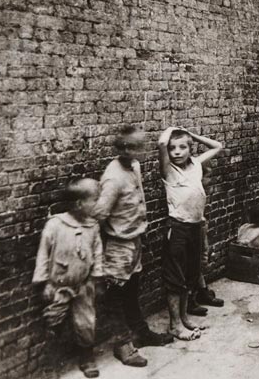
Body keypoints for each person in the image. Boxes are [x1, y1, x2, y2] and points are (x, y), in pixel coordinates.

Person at [94, 125, 172, 368]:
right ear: (121, 148)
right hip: (118, 245)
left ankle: (140, 331)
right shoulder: (113, 178)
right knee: (116, 295)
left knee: (132, 289)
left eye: (138, 145)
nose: (134, 150)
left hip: (134, 241)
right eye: (129, 146)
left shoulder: (135, 166)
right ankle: (122, 344)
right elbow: (99, 214)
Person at [33, 179, 104, 378]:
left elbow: (97, 252)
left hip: (83, 284)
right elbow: (43, 254)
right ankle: (50, 363)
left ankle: (87, 358)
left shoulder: (93, 226)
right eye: (94, 201)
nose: (98, 205)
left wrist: (96, 277)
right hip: (59, 285)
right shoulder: (55, 225)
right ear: (79, 203)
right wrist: (44, 282)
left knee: (86, 323)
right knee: (53, 321)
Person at [157, 126, 223, 340]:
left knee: (190, 275)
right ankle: (175, 324)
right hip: (178, 227)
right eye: (173, 148)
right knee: (175, 277)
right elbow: (161, 144)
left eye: (182, 147)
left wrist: (191, 135)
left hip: (196, 227)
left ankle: (184, 318)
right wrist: (173, 129)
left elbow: (217, 146)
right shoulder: (169, 170)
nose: (176, 152)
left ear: (190, 149)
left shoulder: (195, 164)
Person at [188, 161, 223, 317]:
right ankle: (190, 298)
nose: (210, 180)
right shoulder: (192, 190)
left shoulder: (202, 191)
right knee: (195, 260)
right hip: (193, 226)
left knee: (202, 258)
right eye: (208, 176)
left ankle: (202, 291)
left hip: (201, 224)